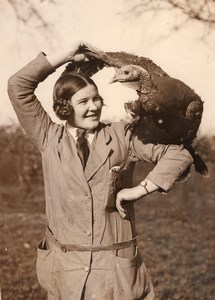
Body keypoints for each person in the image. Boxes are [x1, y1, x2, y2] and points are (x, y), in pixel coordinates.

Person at [8, 41, 193, 300]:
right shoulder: (49, 137)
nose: (93, 106)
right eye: (83, 101)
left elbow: (178, 154)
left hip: (115, 274)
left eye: (96, 99)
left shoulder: (122, 136)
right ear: (65, 107)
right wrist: (67, 55)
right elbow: (18, 86)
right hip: (66, 272)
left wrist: (140, 190)